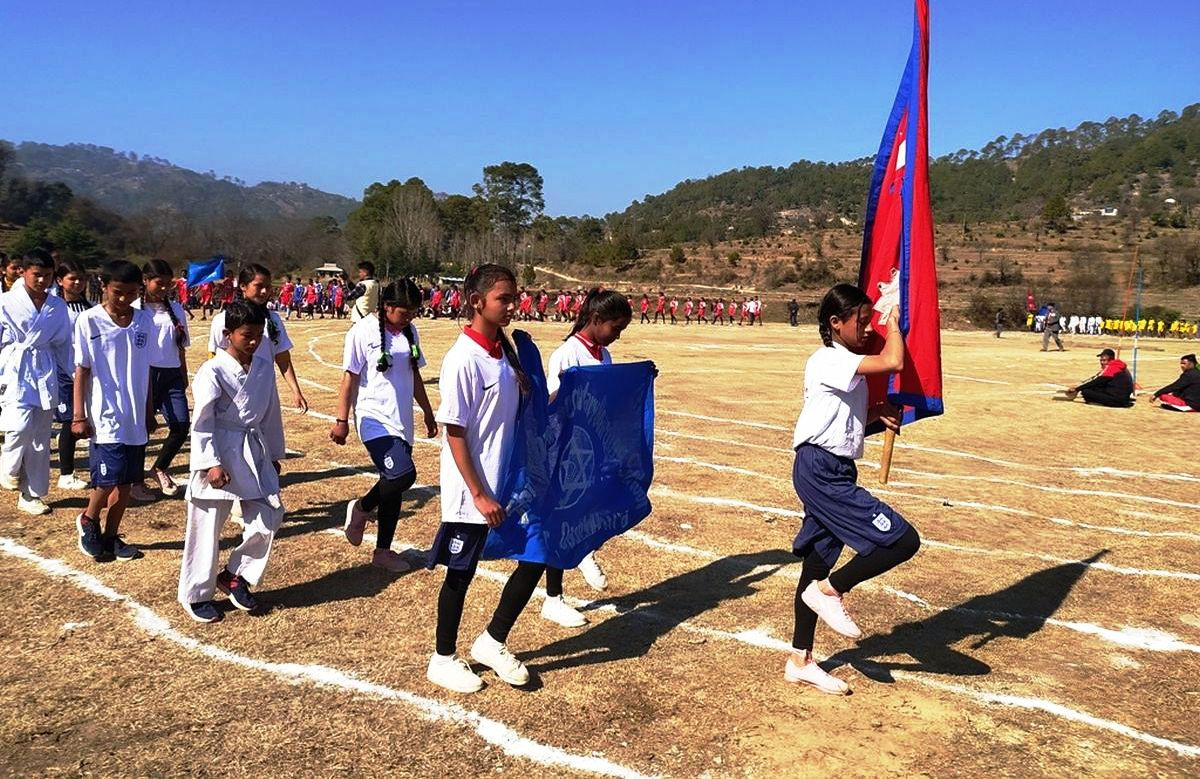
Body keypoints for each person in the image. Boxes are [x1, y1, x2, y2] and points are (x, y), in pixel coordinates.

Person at [787, 283, 920, 695]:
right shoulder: (828, 359)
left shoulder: (847, 367)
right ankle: (832, 592)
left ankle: (800, 660)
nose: (868, 329)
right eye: (861, 322)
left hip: (836, 469)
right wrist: (896, 322)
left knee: (814, 565)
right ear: (834, 323)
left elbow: (846, 425)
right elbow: (894, 360)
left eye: (870, 321)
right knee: (901, 540)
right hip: (820, 469)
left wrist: (880, 416)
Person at [425, 263, 532, 694]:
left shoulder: (502, 353)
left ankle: (493, 640)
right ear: (476, 302)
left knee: (536, 556)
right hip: (474, 492)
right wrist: (479, 493)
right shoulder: (461, 359)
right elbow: (456, 432)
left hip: (506, 485)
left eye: (515, 297)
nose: (513, 305)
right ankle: (443, 658)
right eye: (504, 298)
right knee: (460, 573)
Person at [505, 289, 633, 630]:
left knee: (587, 510)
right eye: (615, 327)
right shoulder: (567, 353)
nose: (618, 335)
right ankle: (555, 596)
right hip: (565, 449)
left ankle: (581, 555)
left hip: (592, 448)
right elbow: (550, 402)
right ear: (595, 320)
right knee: (559, 518)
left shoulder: (603, 355)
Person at [178, 301, 286, 623]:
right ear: (228, 334)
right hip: (220, 448)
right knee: (206, 525)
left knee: (270, 513)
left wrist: (274, 454)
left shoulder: (264, 369)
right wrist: (210, 462)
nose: (254, 342)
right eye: (246, 335)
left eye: (258, 336)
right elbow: (203, 420)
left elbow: (270, 413)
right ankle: (196, 594)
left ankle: (236, 574)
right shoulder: (212, 370)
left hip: (252, 447)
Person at [333, 279, 437, 571]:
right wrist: (341, 420)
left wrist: (427, 412)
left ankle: (383, 551)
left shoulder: (410, 331)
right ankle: (362, 508)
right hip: (374, 418)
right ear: (387, 307)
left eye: (414, 312)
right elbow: (349, 377)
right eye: (405, 312)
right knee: (403, 474)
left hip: (401, 419)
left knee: (393, 484)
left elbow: (415, 375)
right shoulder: (361, 332)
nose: (410, 318)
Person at [72, 260, 154, 562]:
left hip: (134, 416)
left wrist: (148, 410)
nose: (123, 299)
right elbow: (81, 369)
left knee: (126, 482)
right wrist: (78, 415)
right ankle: (88, 519)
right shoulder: (89, 321)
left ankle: (111, 536)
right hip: (104, 414)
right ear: (104, 287)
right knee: (107, 479)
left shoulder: (145, 322)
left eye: (131, 292)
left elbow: (145, 368)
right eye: (117, 292)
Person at [0, 249, 71, 515]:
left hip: (45, 369)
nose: (42, 280)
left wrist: (75, 372)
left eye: (48, 276)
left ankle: (31, 494)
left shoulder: (57, 306)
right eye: (37, 275)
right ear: (23, 272)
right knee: (18, 427)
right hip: (16, 367)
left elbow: (64, 344)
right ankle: (8, 467)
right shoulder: (7, 302)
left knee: (41, 438)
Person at [207, 265, 309, 414]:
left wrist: (296, 390)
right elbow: (214, 358)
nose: (264, 292)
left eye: (267, 287)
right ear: (243, 286)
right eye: (259, 286)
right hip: (233, 395)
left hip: (265, 392)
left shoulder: (273, 320)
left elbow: (283, 358)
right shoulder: (223, 320)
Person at [133, 260, 191, 498]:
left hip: (172, 373)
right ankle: (135, 481)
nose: (165, 288)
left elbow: (181, 346)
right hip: (144, 374)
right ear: (146, 281)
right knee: (141, 429)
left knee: (180, 425)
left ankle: (159, 468)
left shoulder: (176, 309)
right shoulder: (135, 309)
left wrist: (183, 373)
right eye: (160, 283)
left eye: (169, 284)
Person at [52, 260, 93, 490]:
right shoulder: (56, 308)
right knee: (70, 422)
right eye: (72, 279)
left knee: (87, 418)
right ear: (60, 281)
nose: (77, 283)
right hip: (64, 372)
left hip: (87, 373)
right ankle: (66, 473)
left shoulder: (90, 307)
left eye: (81, 278)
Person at [1064, 348, 1133, 407]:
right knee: (1094, 388)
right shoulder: (1119, 366)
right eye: (1101, 360)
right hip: (1121, 397)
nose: (1102, 362)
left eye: (1104, 360)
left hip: (1117, 400)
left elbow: (1097, 381)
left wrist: (1077, 389)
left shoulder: (1111, 367)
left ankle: (1095, 402)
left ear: (1110, 360)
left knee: (1086, 392)